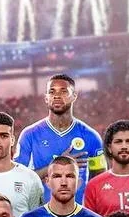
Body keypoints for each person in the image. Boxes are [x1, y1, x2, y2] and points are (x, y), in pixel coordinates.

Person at [14, 73, 107, 205]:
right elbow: (18, 180)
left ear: (74, 96)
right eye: (52, 92)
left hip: (78, 214)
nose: (57, 96)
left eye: (63, 91)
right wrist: (57, 165)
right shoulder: (30, 135)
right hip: (41, 214)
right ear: (46, 98)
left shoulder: (91, 136)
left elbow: (100, 181)